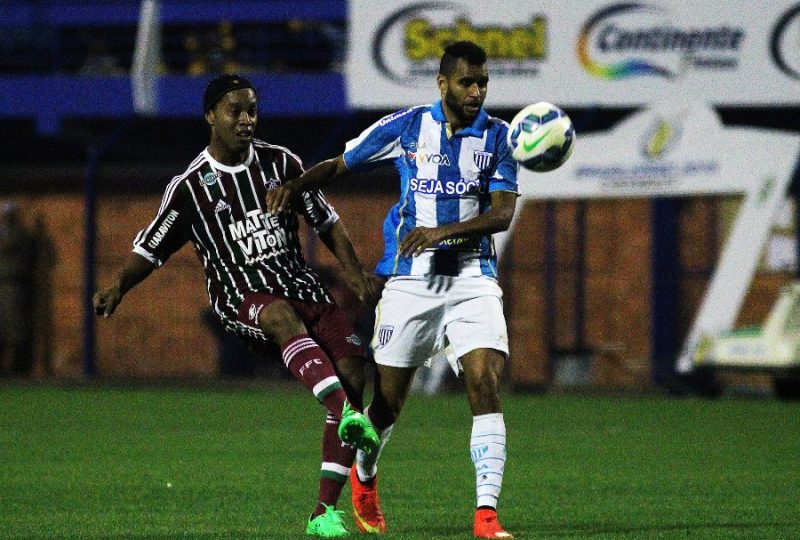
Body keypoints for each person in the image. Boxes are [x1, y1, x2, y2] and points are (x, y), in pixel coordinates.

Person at [93, 74, 383, 538]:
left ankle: (323, 512)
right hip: (241, 295)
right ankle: (345, 412)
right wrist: (117, 287)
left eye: (252, 110)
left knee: (353, 368)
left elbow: (327, 221)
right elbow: (150, 249)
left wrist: (351, 271)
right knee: (282, 321)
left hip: (300, 285)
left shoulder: (281, 163)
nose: (246, 119)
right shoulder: (190, 188)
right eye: (235, 110)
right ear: (211, 116)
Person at [267, 41, 518, 539]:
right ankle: (364, 477)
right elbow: (341, 164)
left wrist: (442, 234)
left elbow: (503, 213)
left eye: (483, 82)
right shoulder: (406, 127)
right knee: (386, 406)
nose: (477, 91)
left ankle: (486, 516)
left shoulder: (500, 137)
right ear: (443, 83)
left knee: (485, 381)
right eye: (468, 82)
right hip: (410, 280)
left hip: (473, 277)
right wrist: (294, 187)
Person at [0, 202, 37, 376]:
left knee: (16, 327)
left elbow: (9, 246)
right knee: (4, 327)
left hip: (13, 284)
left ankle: (19, 368)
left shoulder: (20, 235)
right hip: (4, 284)